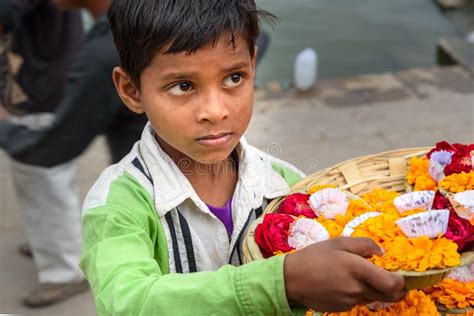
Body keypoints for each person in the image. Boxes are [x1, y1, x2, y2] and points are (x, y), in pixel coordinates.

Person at [80, 0, 407, 314]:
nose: (215, 111)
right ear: (131, 90)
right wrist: (282, 283)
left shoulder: (284, 184)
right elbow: (127, 302)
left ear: (252, 64)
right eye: (182, 86)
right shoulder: (118, 205)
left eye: (234, 78)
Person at [0, 0, 147, 307]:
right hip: (58, 71)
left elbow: (49, 147)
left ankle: (63, 270)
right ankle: (56, 246)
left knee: (43, 173)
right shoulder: (123, 32)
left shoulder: (105, 53)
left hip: (42, 84)